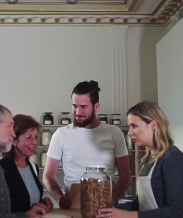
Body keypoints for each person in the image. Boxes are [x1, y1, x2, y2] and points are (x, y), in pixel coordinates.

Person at [95, 101, 183, 218]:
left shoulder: (173, 159)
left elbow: (177, 211)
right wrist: (112, 208)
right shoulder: (149, 159)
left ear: (153, 125)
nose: (130, 132)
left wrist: (130, 216)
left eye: (134, 126)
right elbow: (142, 203)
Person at [43, 80, 131, 209]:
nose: (77, 111)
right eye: (74, 106)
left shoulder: (114, 133)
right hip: (73, 203)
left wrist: (112, 200)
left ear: (96, 106)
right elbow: (48, 176)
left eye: (83, 107)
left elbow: (125, 175)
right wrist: (60, 197)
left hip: (104, 203)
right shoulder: (60, 134)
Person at [0, 114, 54, 218]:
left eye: (35, 137)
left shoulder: (32, 167)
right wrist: (25, 215)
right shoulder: (2, 169)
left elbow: (26, 200)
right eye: (28, 137)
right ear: (14, 140)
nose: (34, 142)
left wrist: (41, 203)